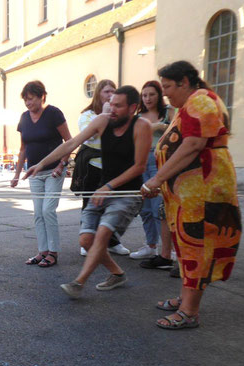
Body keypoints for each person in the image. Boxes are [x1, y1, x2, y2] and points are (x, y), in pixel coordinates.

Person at [25, 85, 152, 298]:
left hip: (126, 194)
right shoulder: (103, 121)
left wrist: (108, 187)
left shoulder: (142, 126)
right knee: (86, 240)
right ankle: (117, 273)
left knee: (101, 234)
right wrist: (41, 164)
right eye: (111, 104)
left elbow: (139, 167)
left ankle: (78, 282)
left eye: (118, 106)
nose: (112, 109)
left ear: (133, 108)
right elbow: (72, 143)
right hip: (103, 190)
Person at [142, 61, 242, 329]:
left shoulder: (201, 100)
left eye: (167, 88)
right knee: (186, 247)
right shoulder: (190, 104)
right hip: (189, 193)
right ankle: (185, 298)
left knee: (197, 247)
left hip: (203, 191)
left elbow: (194, 144)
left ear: (185, 82)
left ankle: (189, 312)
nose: (165, 95)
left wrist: (156, 179)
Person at [11, 80, 72, 268]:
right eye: (26, 101)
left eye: (31, 99)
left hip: (54, 171)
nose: (28, 104)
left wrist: (62, 164)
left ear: (42, 96)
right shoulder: (24, 117)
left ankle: (53, 252)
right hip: (34, 173)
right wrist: (16, 174)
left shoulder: (54, 113)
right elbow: (23, 148)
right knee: (38, 212)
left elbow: (69, 141)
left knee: (48, 210)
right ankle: (42, 251)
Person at [72, 79, 130, 257]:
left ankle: (112, 242)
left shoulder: (119, 115)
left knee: (112, 205)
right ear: (98, 94)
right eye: (106, 91)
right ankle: (87, 241)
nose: (110, 95)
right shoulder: (87, 115)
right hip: (93, 166)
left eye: (113, 91)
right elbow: (91, 135)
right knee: (90, 204)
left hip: (113, 167)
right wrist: (104, 115)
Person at [130, 80, 175, 260]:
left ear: (159, 95)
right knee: (145, 207)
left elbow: (176, 132)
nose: (147, 98)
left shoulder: (168, 111)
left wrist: (158, 126)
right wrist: (155, 127)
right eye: (145, 95)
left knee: (160, 207)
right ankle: (150, 245)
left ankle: (168, 250)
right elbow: (132, 137)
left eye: (152, 94)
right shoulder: (138, 116)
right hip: (141, 159)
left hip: (160, 160)